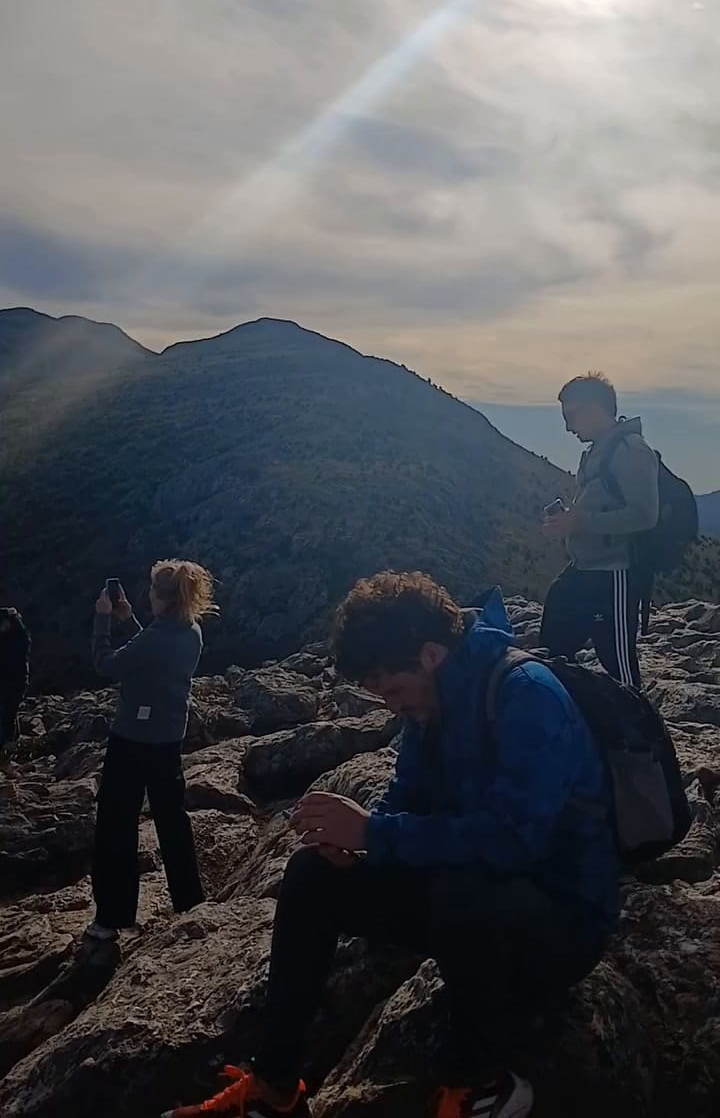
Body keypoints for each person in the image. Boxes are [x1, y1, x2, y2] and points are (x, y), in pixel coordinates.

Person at [165, 572, 619, 1118]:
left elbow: (514, 841)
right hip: (475, 901)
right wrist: (358, 845)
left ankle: (483, 1087)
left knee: (462, 890)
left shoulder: (526, 695)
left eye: (395, 691)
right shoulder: (432, 704)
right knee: (312, 876)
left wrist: (375, 835)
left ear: (431, 654)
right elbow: (407, 796)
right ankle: (275, 1089)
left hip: (561, 919)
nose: (394, 707)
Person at [85, 560, 217, 944]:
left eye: (152, 589)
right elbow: (153, 650)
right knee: (172, 820)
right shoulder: (190, 631)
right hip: (168, 739)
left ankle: (111, 918)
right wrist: (129, 621)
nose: (147, 595)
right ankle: (190, 901)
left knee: (116, 824)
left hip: (132, 740)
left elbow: (106, 664)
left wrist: (103, 619)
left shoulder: (157, 638)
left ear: (163, 597)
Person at [540, 371, 659, 688]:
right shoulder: (598, 452)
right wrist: (570, 522)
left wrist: (580, 522)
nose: (568, 427)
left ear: (594, 408)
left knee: (619, 667)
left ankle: (637, 718)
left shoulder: (631, 451)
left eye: (571, 416)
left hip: (614, 574)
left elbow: (644, 516)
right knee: (553, 644)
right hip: (584, 568)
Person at [0, 607, 30, 753]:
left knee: (8, 711)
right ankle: (11, 740)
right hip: (10, 679)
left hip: (16, 680)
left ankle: (8, 744)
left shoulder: (18, 638)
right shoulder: (15, 636)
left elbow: (13, 660)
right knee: (9, 711)